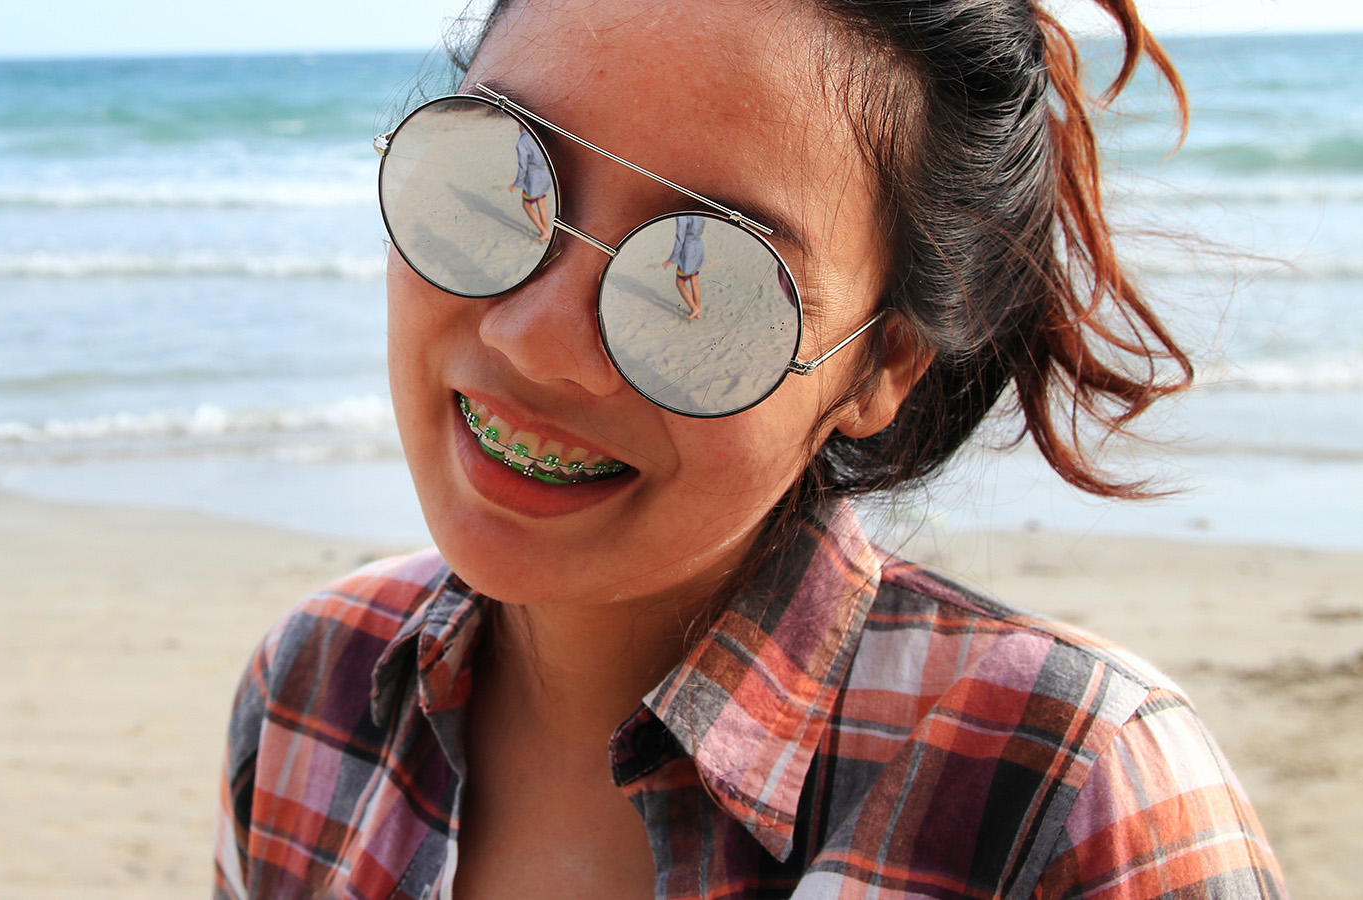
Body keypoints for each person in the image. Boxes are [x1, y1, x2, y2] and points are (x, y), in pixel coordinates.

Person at [217, 0, 1286, 897]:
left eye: (714, 281)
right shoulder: (314, 688)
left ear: (882, 365)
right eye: (502, 180)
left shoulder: (1070, 789)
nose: (535, 342)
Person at [662, 214, 706, 320]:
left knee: (680, 283)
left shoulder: (682, 216)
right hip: (698, 247)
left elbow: (680, 239)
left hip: (688, 250)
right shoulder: (697, 212)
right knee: (694, 282)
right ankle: (697, 311)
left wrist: (672, 259)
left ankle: (694, 309)